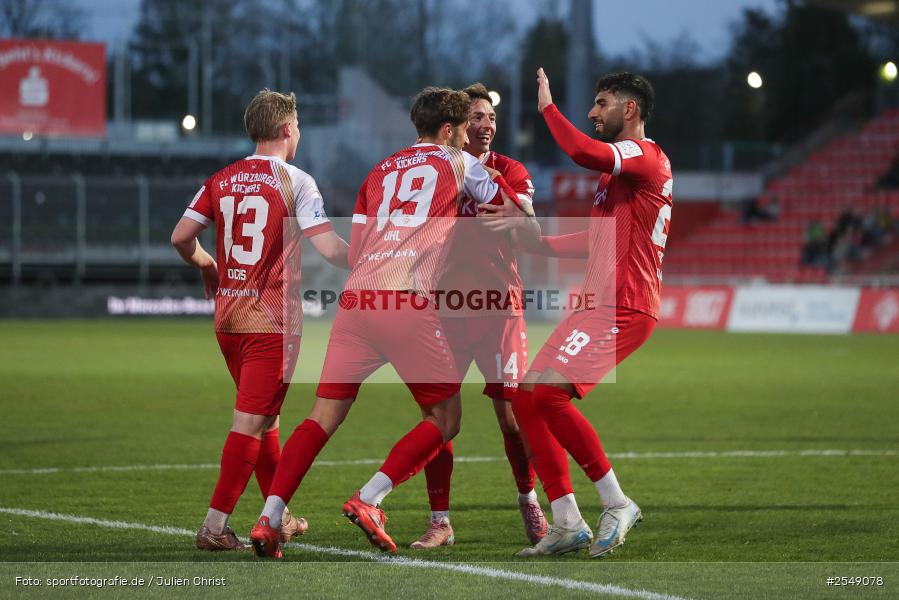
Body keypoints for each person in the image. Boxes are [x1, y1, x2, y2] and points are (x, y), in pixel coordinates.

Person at [248, 86, 528, 558]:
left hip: (356, 302)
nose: (467, 137)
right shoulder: (462, 162)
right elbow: (514, 212)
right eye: (463, 129)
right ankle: (372, 497)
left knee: (322, 416)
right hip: (406, 301)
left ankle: (269, 519)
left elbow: (356, 251)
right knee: (446, 417)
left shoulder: (378, 171)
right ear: (447, 130)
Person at [170, 88, 349, 552]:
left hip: (228, 319)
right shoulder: (297, 181)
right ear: (288, 129)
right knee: (251, 423)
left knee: (265, 421)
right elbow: (329, 248)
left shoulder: (222, 178)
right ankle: (214, 526)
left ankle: (280, 516)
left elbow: (181, 237)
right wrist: (379, 257)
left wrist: (209, 265)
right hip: (272, 324)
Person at [511, 69, 673, 558]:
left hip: (624, 304)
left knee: (550, 395)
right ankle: (566, 521)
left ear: (630, 109)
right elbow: (598, 240)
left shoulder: (643, 156)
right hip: (598, 302)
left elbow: (582, 150)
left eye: (601, 103)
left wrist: (546, 108)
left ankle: (617, 502)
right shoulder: (618, 175)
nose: (592, 112)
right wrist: (537, 243)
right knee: (525, 396)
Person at [409, 83, 548, 550]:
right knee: (439, 418)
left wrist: (519, 221)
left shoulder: (509, 170)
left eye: (490, 117)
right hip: (446, 309)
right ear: (454, 126)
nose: (486, 124)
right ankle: (440, 520)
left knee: (512, 419)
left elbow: (532, 234)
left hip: (498, 309)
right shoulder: (439, 172)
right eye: (475, 118)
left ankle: (529, 500)